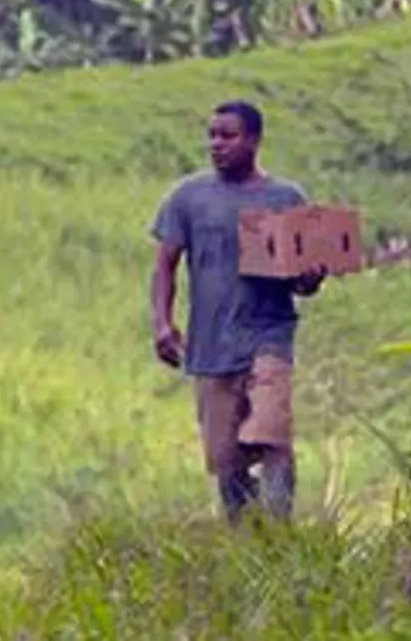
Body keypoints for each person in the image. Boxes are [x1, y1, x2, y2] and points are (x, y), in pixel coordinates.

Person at [148, 100, 327, 527]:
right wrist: (162, 322)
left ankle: (279, 532)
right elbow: (164, 264)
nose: (216, 144)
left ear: (254, 140)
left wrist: (311, 276)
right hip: (210, 344)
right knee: (227, 458)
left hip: (269, 336)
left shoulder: (286, 197)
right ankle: (245, 541)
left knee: (271, 435)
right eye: (212, 135)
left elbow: (305, 281)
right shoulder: (188, 198)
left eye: (227, 136)